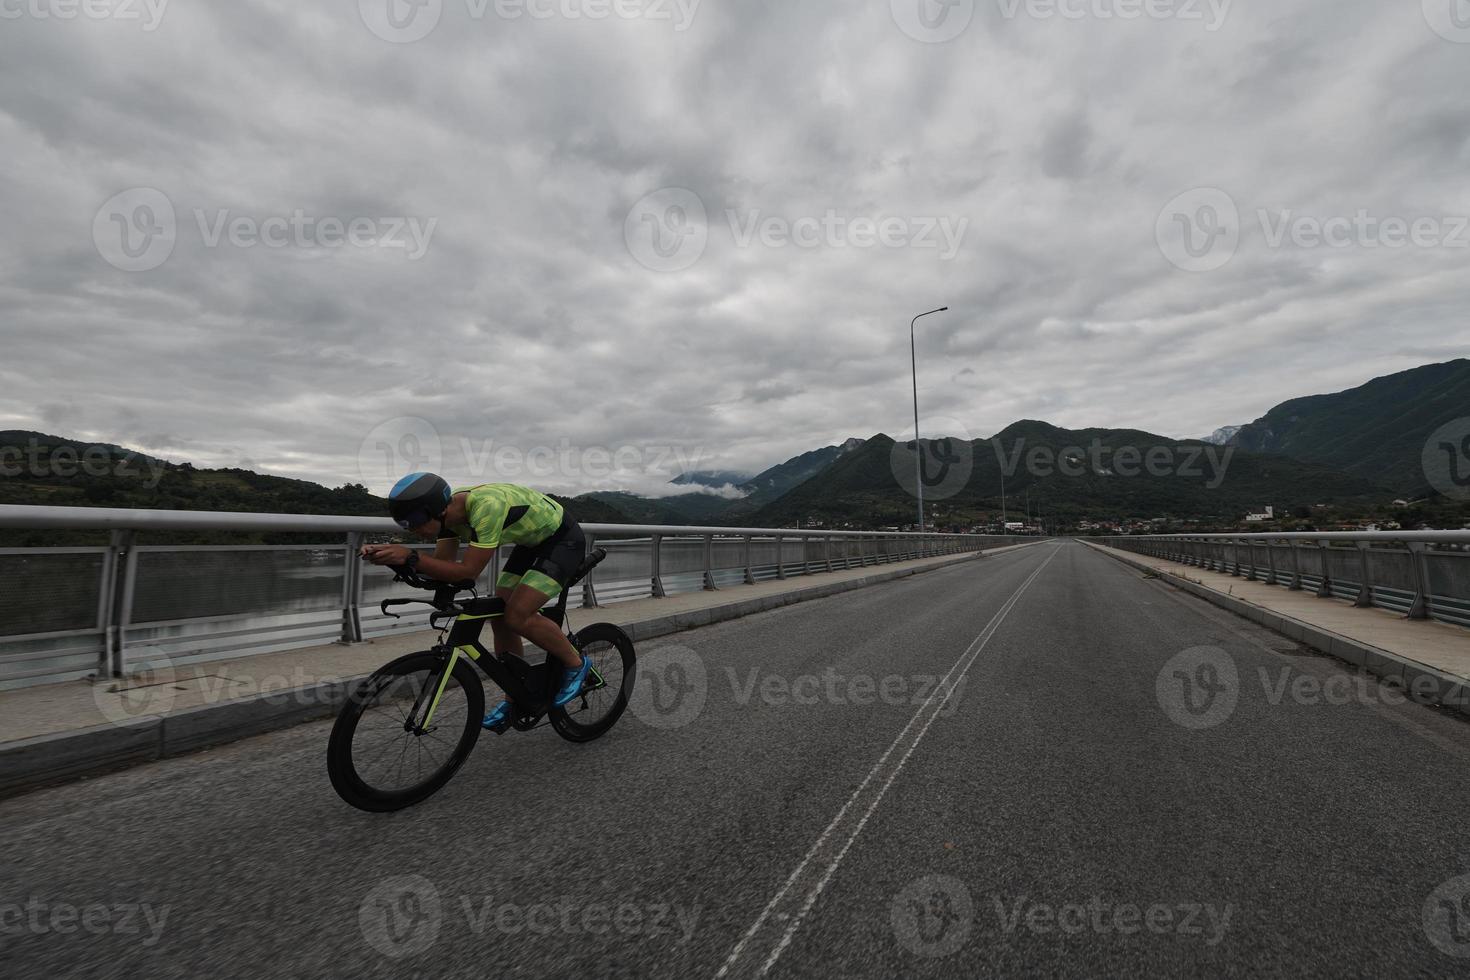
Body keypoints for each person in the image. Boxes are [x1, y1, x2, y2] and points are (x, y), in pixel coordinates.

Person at [360, 472, 589, 730]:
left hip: (562, 539)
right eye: (404, 524)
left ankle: (576, 663)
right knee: (499, 615)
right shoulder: (445, 518)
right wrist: (394, 559)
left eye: (414, 521)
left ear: (436, 509)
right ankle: (515, 696)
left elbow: (468, 573)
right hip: (530, 544)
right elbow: (443, 567)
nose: (413, 530)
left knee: (517, 614)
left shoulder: (485, 507)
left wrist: (411, 556)